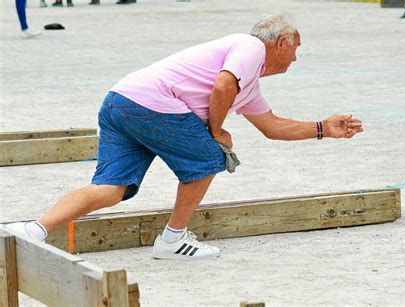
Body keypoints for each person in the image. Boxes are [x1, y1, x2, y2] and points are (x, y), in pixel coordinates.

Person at [5, 14, 364, 260]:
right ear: (282, 42)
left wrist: (322, 128)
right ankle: (172, 240)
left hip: (119, 100)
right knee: (209, 157)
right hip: (150, 104)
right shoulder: (250, 47)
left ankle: (33, 230)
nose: (297, 58)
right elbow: (222, 86)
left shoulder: (249, 82)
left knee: (111, 190)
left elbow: (272, 126)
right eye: (297, 48)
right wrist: (217, 131)